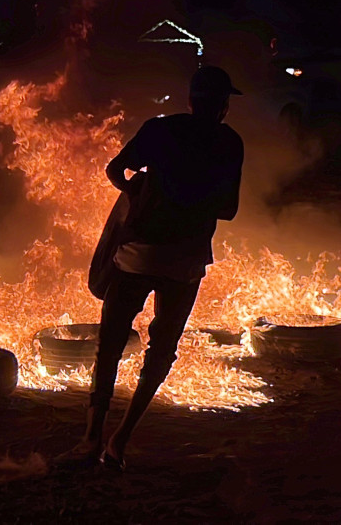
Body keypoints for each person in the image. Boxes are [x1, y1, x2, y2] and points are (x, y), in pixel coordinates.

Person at [69, 65, 243, 470]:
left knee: (109, 346)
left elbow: (115, 170)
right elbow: (229, 209)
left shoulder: (160, 129)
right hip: (185, 261)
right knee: (161, 352)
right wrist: (195, 201)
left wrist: (139, 191)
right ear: (222, 108)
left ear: (190, 99)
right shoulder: (229, 143)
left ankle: (91, 436)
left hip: (137, 254)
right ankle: (120, 441)